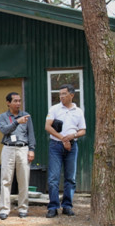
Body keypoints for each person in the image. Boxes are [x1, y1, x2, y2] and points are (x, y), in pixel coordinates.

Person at [45, 84, 86, 218]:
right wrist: (63, 138)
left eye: (64, 93)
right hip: (55, 146)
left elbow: (82, 130)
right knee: (53, 178)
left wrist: (72, 136)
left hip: (72, 146)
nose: (61, 96)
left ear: (72, 95)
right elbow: (48, 127)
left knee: (70, 178)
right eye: (60, 93)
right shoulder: (54, 108)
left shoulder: (78, 111)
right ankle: (53, 207)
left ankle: (67, 206)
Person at [0, 92, 36, 220]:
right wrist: (17, 122)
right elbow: (4, 130)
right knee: (5, 180)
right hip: (8, 148)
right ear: (8, 103)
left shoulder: (26, 116)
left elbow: (31, 134)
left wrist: (31, 150)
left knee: (24, 180)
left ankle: (23, 208)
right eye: (15, 101)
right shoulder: (2, 116)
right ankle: (4, 209)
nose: (18, 103)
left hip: (23, 149)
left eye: (19, 101)